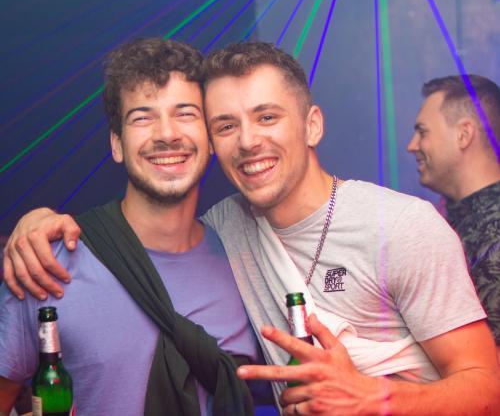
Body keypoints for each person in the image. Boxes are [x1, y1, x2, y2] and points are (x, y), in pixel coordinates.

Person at [4, 43, 500, 415]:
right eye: (226, 125)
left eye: (267, 117)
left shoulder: (401, 226)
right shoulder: (223, 233)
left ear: (312, 125)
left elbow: (489, 391)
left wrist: (374, 397)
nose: (247, 141)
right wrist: (33, 223)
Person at [0, 38, 261, 416]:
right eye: (142, 117)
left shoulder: (246, 259)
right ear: (117, 144)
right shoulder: (45, 264)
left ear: (210, 139)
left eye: (185, 113)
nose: (167, 133)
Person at [407, 75, 500, 357]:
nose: (412, 145)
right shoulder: (447, 217)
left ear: (463, 134)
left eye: (422, 132)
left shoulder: (494, 230)